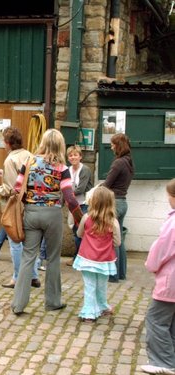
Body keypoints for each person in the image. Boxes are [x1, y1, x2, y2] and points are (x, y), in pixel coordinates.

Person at [11, 129, 83, 315]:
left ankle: (18, 304)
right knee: (52, 258)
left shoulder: (29, 162)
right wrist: (81, 220)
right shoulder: (62, 168)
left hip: (31, 213)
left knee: (28, 257)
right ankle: (52, 301)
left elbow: (17, 188)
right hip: (53, 214)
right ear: (60, 145)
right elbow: (70, 198)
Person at [0, 127, 41, 288]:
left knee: (15, 242)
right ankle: (33, 275)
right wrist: (3, 175)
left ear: (7, 143)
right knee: (29, 243)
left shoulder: (10, 160)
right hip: (32, 203)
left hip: (16, 206)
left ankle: (18, 277)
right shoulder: (29, 155)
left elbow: (12, 188)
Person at [141, 179, 175, 375]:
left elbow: (161, 249)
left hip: (170, 281)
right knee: (171, 321)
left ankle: (163, 361)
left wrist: (150, 265)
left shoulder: (172, 223)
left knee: (156, 319)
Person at [72, 186, 120, 322]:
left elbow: (79, 234)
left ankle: (88, 312)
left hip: (87, 257)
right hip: (105, 259)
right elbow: (117, 243)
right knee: (102, 284)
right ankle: (103, 306)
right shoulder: (113, 222)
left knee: (89, 285)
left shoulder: (86, 217)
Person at [103, 133, 134, 282]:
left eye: (113, 144)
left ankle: (113, 275)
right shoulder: (129, 161)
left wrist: (96, 191)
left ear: (118, 145)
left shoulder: (118, 163)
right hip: (123, 202)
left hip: (114, 203)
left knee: (112, 239)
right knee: (119, 239)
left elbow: (107, 184)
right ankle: (121, 273)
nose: (111, 146)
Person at [66, 145, 93, 266]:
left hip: (83, 205)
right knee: (74, 231)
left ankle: (79, 258)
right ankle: (79, 257)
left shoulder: (85, 170)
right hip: (72, 205)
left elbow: (81, 189)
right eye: (70, 155)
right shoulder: (67, 170)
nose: (73, 157)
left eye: (75, 155)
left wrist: (67, 194)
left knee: (79, 232)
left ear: (80, 156)